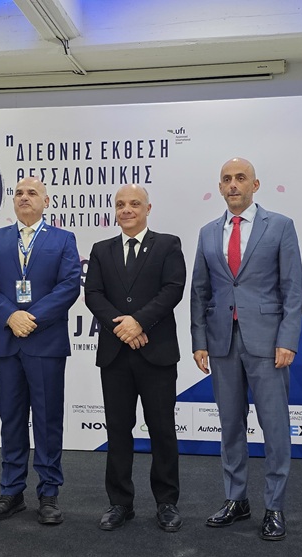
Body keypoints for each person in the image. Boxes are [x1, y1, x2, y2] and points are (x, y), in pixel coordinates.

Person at [190, 157, 302, 541]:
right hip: (222, 341)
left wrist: (287, 339)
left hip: (268, 343)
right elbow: (200, 292)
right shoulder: (208, 233)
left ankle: (274, 506)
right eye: (227, 179)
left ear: (255, 185)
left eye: (241, 178)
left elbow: (292, 289)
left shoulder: (280, 226)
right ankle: (236, 499)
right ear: (220, 187)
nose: (233, 184)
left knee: (274, 427)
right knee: (230, 426)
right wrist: (199, 341)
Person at [0, 176, 81, 525]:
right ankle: (11, 491)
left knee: (48, 420)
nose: (24, 197)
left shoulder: (63, 239)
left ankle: (48, 493)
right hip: (6, 341)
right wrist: (10, 316)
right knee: (12, 419)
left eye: (32, 192)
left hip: (45, 341)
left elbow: (69, 286)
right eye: (18, 193)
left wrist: (30, 318)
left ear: (46, 201)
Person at [84, 185, 186, 532]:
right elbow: (93, 294)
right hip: (115, 356)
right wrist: (123, 328)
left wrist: (138, 322)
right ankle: (120, 503)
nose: (126, 209)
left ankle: (167, 503)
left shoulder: (168, 244)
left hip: (156, 354)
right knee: (118, 431)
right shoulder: (101, 250)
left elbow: (172, 289)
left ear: (148, 208)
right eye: (120, 204)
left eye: (134, 204)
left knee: (162, 430)